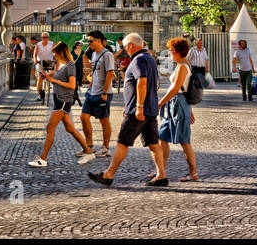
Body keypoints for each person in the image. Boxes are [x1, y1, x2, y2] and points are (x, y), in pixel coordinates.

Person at [89, 32, 167, 187]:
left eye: (125, 47)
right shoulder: (149, 58)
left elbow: (142, 82)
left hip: (139, 111)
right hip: (149, 110)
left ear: (131, 45)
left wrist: (138, 107)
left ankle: (108, 175)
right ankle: (161, 176)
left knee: (122, 142)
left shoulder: (138, 60)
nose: (125, 50)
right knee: (153, 143)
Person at [28, 42, 96, 167]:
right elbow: (57, 75)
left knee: (50, 127)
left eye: (55, 53)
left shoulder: (70, 65)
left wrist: (53, 80)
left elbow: (72, 85)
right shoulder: (61, 64)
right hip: (59, 99)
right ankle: (87, 150)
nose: (54, 55)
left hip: (64, 100)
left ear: (61, 52)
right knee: (70, 128)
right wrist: (48, 75)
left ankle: (42, 159)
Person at [156, 37, 198, 183]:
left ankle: (193, 172)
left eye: (171, 50)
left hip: (178, 103)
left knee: (184, 140)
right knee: (162, 136)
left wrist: (160, 102)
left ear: (177, 51)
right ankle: (160, 170)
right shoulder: (182, 64)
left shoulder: (183, 66)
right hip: (177, 104)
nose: (169, 52)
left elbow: (176, 88)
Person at [79, 31, 115, 158]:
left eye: (90, 41)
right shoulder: (94, 54)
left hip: (103, 93)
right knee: (83, 118)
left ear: (99, 41)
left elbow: (110, 74)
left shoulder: (107, 55)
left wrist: (104, 92)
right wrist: (90, 87)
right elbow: (95, 72)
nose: (89, 44)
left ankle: (106, 147)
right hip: (92, 92)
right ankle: (89, 146)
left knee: (104, 120)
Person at [33, 32, 55, 103]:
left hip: (49, 62)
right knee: (40, 78)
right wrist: (35, 60)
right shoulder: (38, 45)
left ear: (48, 38)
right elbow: (35, 54)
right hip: (40, 62)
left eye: (46, 37)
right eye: (43, 37)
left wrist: (57, 58)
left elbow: (56, 52)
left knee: (52, 76)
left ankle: (50, 89)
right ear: (41, 38)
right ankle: (39, 94)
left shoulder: (51, 44)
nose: (45, 39)